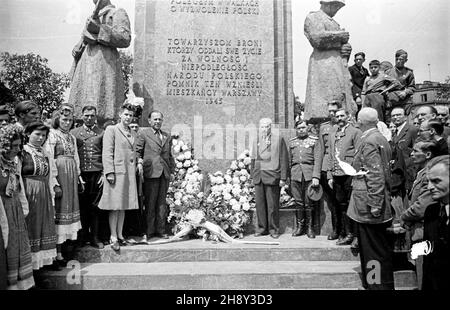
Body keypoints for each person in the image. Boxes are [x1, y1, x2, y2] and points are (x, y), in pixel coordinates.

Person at [347, 107, 394, 290]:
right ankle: (373, 285)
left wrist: (375, 204)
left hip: (368, 205)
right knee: (372, 250)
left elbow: (375, 175)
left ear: (360, 121)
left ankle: (377, 287)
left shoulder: (369, 141)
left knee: (373, 251)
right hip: (371, 201)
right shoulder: (380, 137)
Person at [69, 0, 131, 122]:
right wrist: (78, 47)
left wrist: (99, 30)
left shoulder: (117, 13)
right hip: (87, 62)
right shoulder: (91, 17)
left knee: (103, 106)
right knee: (82, 102)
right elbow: (84, 38)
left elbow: (125, 39)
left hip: (105, 63)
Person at [303, 0, 356, 120]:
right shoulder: (313, 17)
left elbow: (342, 45)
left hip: (337, 63)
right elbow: (316, 38)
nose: (337, 10)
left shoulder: (334, 22)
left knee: (339, 95)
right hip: (323, 63)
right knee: (325, 98)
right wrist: (339, 37)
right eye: (336, 6)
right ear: (328, 4)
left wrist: (346, 48)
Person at [44, 105, 82, 265]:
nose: (67, 122)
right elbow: (49, 159)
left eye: (70, 120)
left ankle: (65, 249)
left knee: (69, 209)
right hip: (59, 175)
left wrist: (79, 178)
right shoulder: (52, 135)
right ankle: (56, 253)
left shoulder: (71, 137)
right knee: (59, 210)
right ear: (57, 119)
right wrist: (55, 183)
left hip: (71, 176)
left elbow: (76, 158)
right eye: (64, 119)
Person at [98, 103, 139, 251]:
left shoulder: (133, 132)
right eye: (126, 114)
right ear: (120, 115)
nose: (128, 117)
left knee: (124, 206)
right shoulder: (112, 130)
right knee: (114, 206)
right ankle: (113, 235)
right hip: (117, 173)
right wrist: (109, 172)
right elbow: (107, 152)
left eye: (131, 115)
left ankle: (120, 235)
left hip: (129, 173)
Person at [400, 140, 440, 289]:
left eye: (416, 151)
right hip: (418, 230)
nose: (412, 154)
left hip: (425, 232)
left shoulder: (430, 175)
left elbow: (421, 206)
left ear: (428, 154)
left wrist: (404, 217)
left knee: (425, 275)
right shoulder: (421, 172)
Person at [0, 124, 35, 289]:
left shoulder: (13, 163)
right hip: (3, 211)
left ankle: (23, 284)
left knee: (19, 246)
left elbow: (18, 187)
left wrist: (23, 209)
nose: (17, 149)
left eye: (19, 145)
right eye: (13, 146)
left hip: (15, 210)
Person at [21, 122, 57, 270]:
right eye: (37, 134)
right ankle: (27, 271)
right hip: (28, 194)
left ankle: (39, 269)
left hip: (44, 195)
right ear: (28, 134)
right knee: (30, 229)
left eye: (44, 135)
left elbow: (49, 179)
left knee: (42, 228)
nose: (40, 138)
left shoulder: (45, 153)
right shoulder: (22, 152)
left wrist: (52, 199)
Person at [70, 106, 106, 249]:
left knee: (95, 207)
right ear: (82, 116)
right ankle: (82, 236)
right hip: (81, 174)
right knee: (82, 206)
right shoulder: (75, 133)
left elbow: (106, 154)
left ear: (95, 116)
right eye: (86, 115)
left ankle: (95, 237)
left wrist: (104, 173)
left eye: (92, 115)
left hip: (97, 173)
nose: (89, 118)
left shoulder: (102, 133)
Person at [136, 111, 174, 241]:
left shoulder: (166, 136)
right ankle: (149, 230)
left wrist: (172, 171)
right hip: (151, 172)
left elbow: (169, 156)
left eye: (160, 119)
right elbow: (137, 151)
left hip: (164, 172)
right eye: (155, 119)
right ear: (149, 121)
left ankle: (161, 230)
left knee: (161, 203)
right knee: (150, 202)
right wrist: (139, 163)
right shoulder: (143, 133)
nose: (157, 121)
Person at [328, 108, 362, 246]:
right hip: (337, 175)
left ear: (348, 116)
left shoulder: (355, 132)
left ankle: (354, 235)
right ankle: (346, 232)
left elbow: (359, 155)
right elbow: (330, 155)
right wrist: (330, 174)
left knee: (352, 205)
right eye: (337, 116)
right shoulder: (332, 134)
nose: (340, 118)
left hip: (349, 174)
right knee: (341, 205)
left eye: (342, 115)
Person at [251, 118, 289, 239]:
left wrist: (283, 177)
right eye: (262, 126)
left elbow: (284, 158)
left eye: (267, 126)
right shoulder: (256, 139)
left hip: (272, 176)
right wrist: (252, 174)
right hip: (259, 176)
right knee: (260, 205)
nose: (264, 129)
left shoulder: (278, 139)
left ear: (271, 127)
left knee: (272, 205)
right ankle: (262, 228)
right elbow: (253, 158)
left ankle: (273, 229)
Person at [289, 120, 321, 238]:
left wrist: (316, 176)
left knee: (309, 202)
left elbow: (318, 160)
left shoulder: (314, 141)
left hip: (309, 174)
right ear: (296, 129)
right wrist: (288, 177)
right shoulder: (292, 142)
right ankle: (300, 227)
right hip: (295, 174)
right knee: (298, 202)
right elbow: (289, 160)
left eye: (303, 127)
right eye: (299, 128)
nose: (301, 130)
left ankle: (309, 227)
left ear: (307, 128)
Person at [422, 155, 449, 290]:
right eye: (428, 181)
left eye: (436, 181)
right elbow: (428, 264)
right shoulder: (431, 212)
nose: (430, 187)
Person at [318, 101, 340, 240]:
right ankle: (336, 230)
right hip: (326, 168)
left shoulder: (347, 126)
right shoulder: (323, 128)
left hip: (341, 167)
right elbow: (320, 149)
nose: (332, 113)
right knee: (332, 201)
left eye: (334, 111)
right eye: (330, 111)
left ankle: (346, 231)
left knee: (342, 201)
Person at [124, 117, 145, 240]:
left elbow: (140, 152)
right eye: (132, 127)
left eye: (136, 127)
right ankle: (126, 229)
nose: (134, 129)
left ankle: (137, 228)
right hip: (126, 171)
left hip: (137, 172)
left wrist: (140, 161)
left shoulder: (140, 138)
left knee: (138, 200)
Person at [391, 107, 419, 195]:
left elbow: (418, 150)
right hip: (399, 171)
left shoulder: (412, 129)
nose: (396, 117)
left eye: (398, 115)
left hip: (410, 171)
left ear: (405, 117)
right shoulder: (394, 132)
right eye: (393, 115)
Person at [386, 49, 416, 115]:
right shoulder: (388, 72)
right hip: (392, 100)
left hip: (405, 100)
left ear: (406, 60)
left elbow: (412, 87)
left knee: (406, 118)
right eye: (396, 59)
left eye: (401, 59)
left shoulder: (409, 72)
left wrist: (405, 92)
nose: (398, 61)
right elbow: (384, 87)